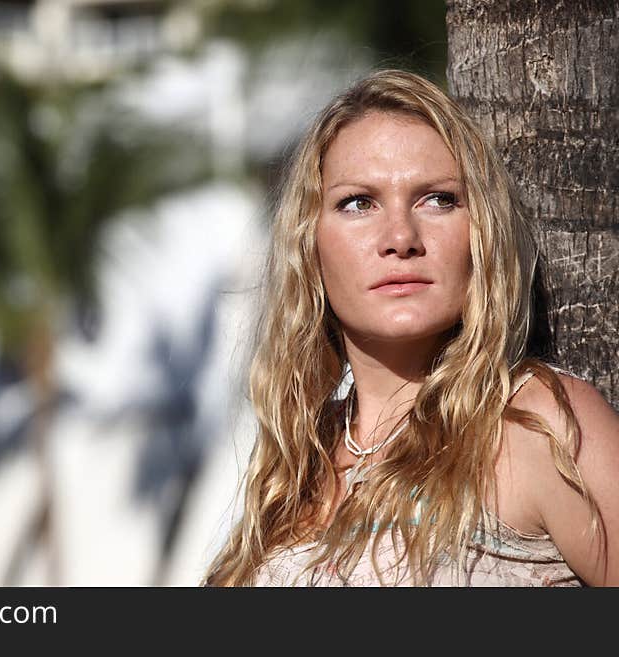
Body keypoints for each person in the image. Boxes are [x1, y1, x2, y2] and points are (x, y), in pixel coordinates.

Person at [202, 69, 619, 587]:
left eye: (438, 199)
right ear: (310, 246)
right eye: (358, 203)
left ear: (481, 233)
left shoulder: (537, 424)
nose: (400, 237)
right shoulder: (294, 465)